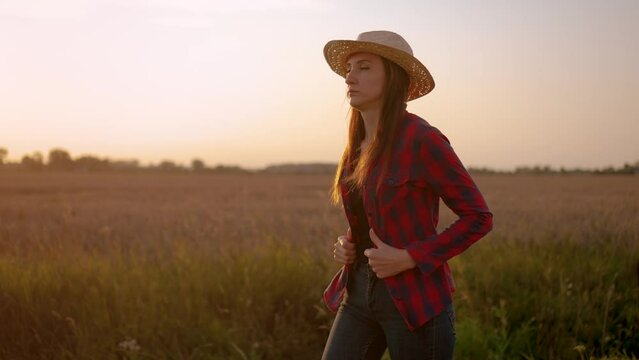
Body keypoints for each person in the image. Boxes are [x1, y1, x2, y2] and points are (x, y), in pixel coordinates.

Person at [320, 31, 493, 360]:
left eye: (364, 68)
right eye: (349, 69)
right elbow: (374, 216)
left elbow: (479, 218)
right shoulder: (356, 146)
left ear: (393, 77)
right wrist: (350, 245)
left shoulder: (422, 139)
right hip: (357, 292)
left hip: (415, 302)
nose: (350, 78)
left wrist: (411, 256)